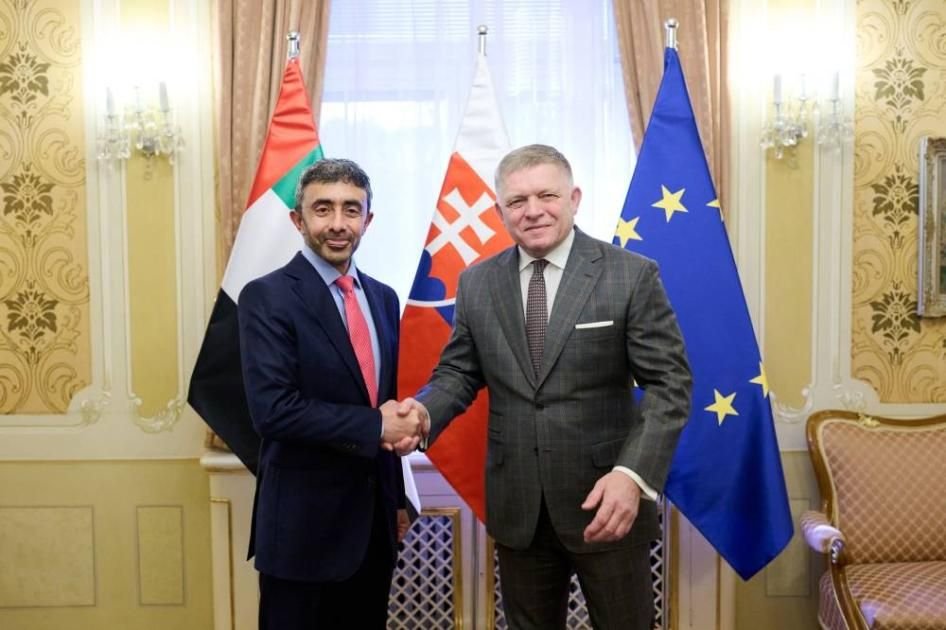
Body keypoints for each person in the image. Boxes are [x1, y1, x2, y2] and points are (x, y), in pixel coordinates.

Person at [400, 144, 692, 629]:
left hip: (608, 503)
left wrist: (632, 475)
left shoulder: (630, 274)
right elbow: (459, 373)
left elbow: (670, 384)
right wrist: (424, 413)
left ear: (574, 198)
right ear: (500, 212)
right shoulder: (477, 283)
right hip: (519, 509)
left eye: (547, 195)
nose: (532, 210)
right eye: (517, 201)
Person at [238, 159, 423, 629]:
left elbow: (383, 401)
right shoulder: (266, 297)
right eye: (323, 209)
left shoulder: (383, 298)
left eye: (351, 209)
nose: (338, 223)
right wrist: (377, 426)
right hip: (302, 533)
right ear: (298, 220)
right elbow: (273, 411)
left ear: (368, 220)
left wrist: (396, 499)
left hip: (373, 530)